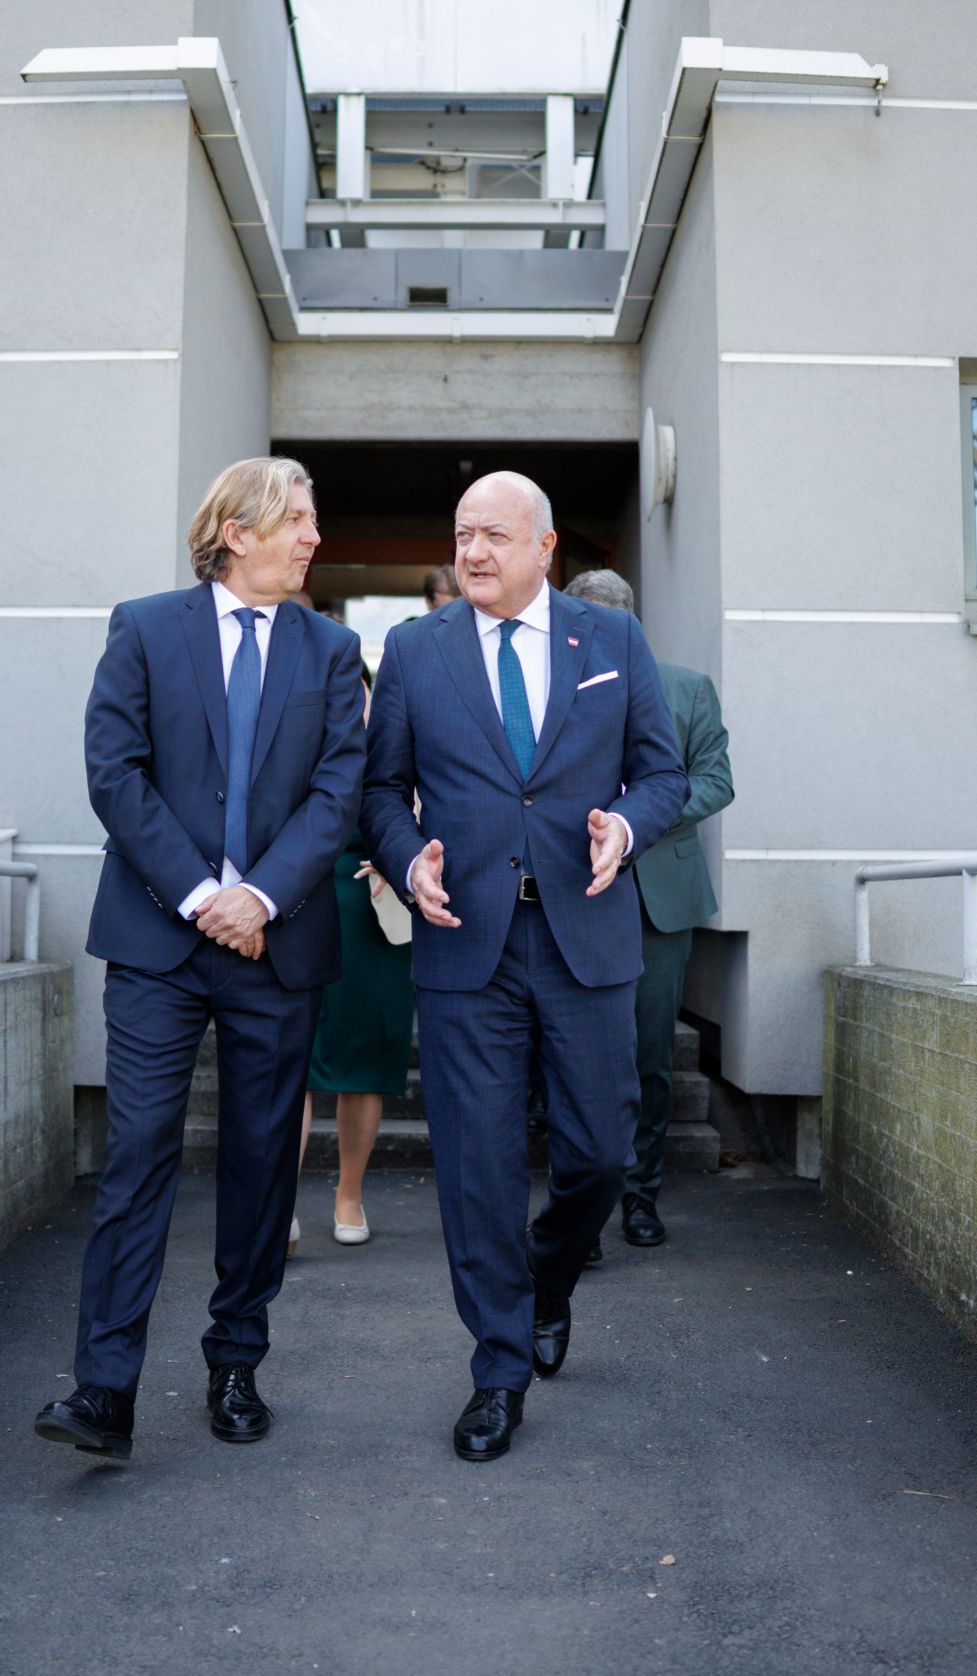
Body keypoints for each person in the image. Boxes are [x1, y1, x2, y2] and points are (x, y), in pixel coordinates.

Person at [34, 456, 364, 1461]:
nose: (311, 537)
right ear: (235, 530)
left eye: (311, 518)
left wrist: (258, 895)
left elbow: (338, 788)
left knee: (263, 1162)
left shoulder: (334, 649)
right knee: (136, 1154)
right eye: (295, 519)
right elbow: (114, 771)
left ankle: (235, 1362)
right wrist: (200, 896)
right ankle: (103, 1390)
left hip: (278, 939)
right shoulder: (144, 628)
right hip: (155, 939)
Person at [361, 472, 686, 1462]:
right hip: (467, 939)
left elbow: (663, 772)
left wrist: (622, 827)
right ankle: (497, 1368)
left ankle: (545, 1281)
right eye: (461, 533)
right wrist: (403, 848)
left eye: (494, 535)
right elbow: (381, 784)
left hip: (582, 932)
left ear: (545, 548)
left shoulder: (612, 643)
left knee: (595, 1150)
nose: (472, 552)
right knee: (476, 1167)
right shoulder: (416, 650)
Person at [564, 570, 733, 1249]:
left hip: (661, 894)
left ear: (631, 624)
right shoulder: (551, 691)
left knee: (650, 1053)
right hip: (574, 890)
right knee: (573, 1053)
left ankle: (640, 1196)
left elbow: (716, 780)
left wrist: (637, 821)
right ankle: (581, 1208)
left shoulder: (686, 689)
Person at [292, 664, 415, 1251]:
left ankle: (350, 1192)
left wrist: (407, 847)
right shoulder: (290, 736)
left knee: (364, 1062)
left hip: (373, 906)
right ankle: (277, 1204)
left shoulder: (395, 739)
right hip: (297, 899)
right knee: (289, 1060)